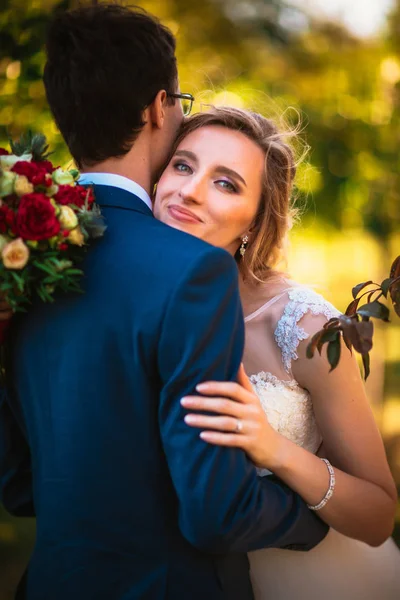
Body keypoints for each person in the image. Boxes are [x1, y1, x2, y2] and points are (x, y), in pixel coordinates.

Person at [0, 5, 329, 600]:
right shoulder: (192, 271)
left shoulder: (18, 255)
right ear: (158, 107)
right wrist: (312, 521)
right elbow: (215, 514)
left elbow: (18, 484)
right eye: (180, 101)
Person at [153, 105, 400, 599]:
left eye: (226, 183)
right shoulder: (132, 300)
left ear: (255, 221)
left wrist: (275, 450)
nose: (190, 190)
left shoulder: (303, 327)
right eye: (183, 165)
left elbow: (378, 514)